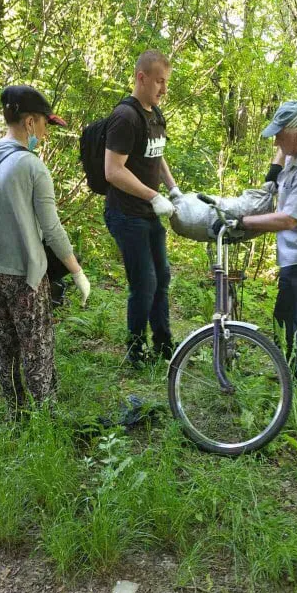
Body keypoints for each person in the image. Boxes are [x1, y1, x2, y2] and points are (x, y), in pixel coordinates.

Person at [0, 85, 91, 415]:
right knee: (37, 347)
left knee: (2, 345)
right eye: (46, 125)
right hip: (23, 275)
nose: (46, 135)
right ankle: (46, 421)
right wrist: (76, 272)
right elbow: (52, 229)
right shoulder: (32, 167)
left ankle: (14, 413)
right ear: (30, 122)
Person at [212, 100, 297, 388]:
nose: (276, 141)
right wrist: (272, 176)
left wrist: (241, 222)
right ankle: (293, 373)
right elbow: (281, 151)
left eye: (279, 136)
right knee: (295, 314)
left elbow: (288, 220)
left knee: (293, 317)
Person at [104, 50, 181, 367]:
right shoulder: (125, 117)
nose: (164, 89)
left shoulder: (155, 114)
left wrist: (173, 189)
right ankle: (135, 350)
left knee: (161, 277)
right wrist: (153, 195)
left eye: (166, 82)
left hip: (149, 213)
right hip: (125, 214)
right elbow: (113, 170)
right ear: (142, 77)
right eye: (160, 82)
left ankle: (163, 345)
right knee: (144, 282)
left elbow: (156, 153)